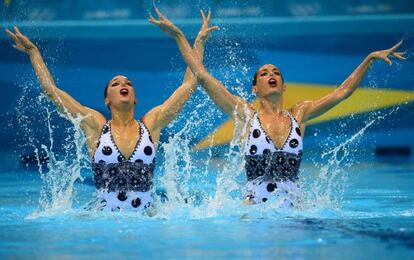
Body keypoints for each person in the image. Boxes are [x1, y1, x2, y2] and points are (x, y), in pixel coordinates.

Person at [150, 8, 406, 207]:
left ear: (283, 85)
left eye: (275, 72)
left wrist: (369, 58)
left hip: (295, 208)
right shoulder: (245, 114)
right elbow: (203, 77)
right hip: (254, 210)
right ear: (255, 88)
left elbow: (343, 92)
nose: (270, 74)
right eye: (263, 73)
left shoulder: (300, 113)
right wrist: (183, 38)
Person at [5, 11, 217, 212]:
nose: (123, 84)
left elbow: (189, 85)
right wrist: (33, 52)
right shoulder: (96, 125)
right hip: (102, 217)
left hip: (147, 218)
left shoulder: (151, 124)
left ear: (135, 98)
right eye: (115, 84)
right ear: (107, 100)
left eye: (128, 83)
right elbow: (51, 92)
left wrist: (193, 41)